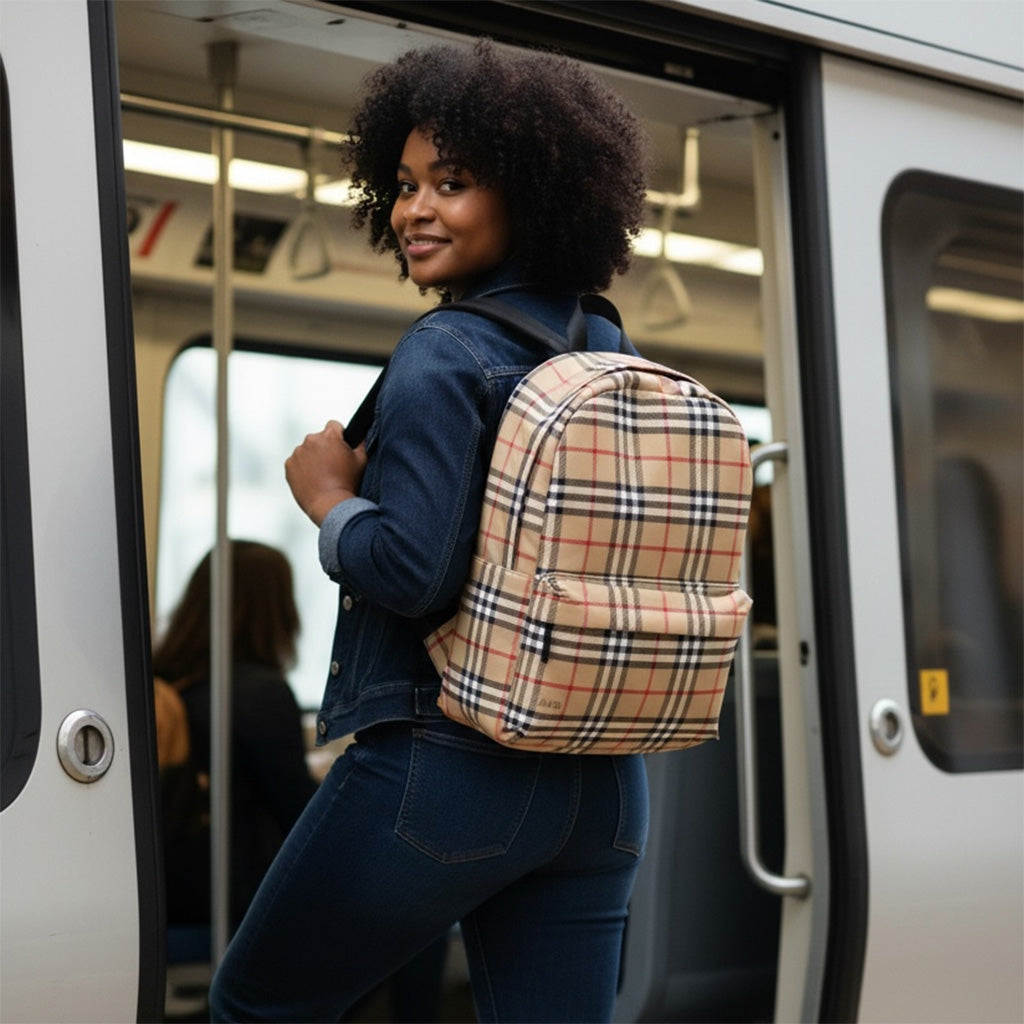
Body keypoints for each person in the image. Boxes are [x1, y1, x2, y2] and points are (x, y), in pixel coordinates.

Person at [210, 40, 650, 1023]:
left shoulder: (446, 347)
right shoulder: (608, 343)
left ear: (535, 191)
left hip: (446, 769)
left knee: (257, 1004)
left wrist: (329, 499)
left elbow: (411, 572)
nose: (413, 210)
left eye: (450, 184)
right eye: (403, 185)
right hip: (603, 787)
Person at [153, 540, 316, 934]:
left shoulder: (164, 679)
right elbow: (300, 813)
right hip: (230, 891)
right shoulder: (258, 693)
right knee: (410, 906)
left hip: (162, 879)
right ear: (276, 609)